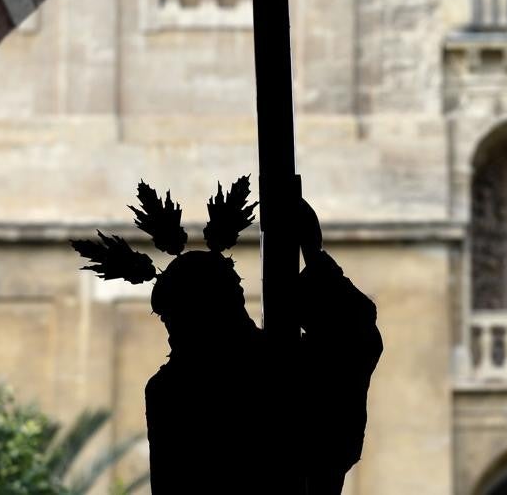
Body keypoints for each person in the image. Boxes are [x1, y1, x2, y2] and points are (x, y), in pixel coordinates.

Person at [72, 179, 382, 493]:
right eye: (169, 321)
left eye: (174, 319)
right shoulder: (286, 364)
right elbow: (354, 337)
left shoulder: (174, 390)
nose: (172, 333)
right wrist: (312, 253)